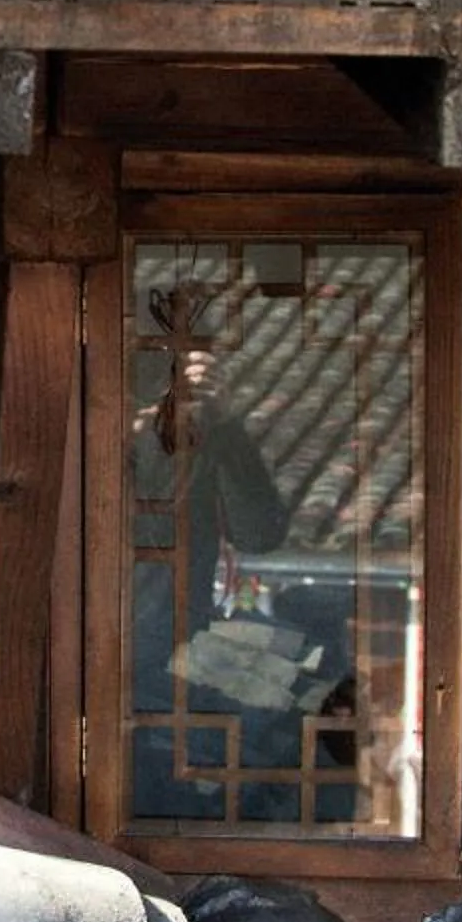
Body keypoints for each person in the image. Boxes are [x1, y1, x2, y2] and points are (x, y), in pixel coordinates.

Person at [126, 346, 297, 820]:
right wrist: (135, 437)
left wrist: (222, 427)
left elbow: (260, 532)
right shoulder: (103, 434)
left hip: (176, 653)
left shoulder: (205, 441)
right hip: (97, 652)